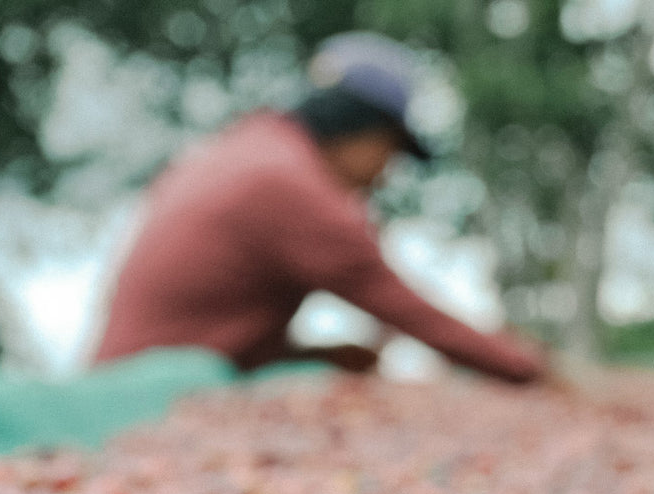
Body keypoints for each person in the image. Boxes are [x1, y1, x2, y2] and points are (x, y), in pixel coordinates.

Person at [92, 32, 546, 383]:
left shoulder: (252, 146)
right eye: (391, 151)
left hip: (131, 372)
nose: (385, 174)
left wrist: (314, 355)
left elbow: (209, 315)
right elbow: (411, 312)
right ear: (362, 128)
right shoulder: (291, 187)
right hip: (153, 389)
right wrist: (535, 370)